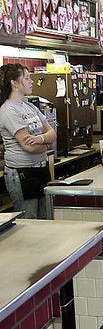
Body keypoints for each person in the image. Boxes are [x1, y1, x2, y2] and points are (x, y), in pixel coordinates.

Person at [0, 63, 57, 218]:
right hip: (22, 173)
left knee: (47, 218)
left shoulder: (30, 107)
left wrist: (40, 139)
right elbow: (28, 147)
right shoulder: (8, 110)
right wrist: (46, 145)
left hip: (41, 169)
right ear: (14, 83)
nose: (31, 81)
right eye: (26, 78)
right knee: (29, 222)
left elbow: (53, 133)